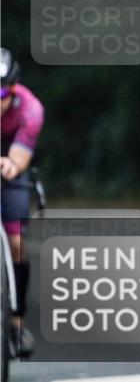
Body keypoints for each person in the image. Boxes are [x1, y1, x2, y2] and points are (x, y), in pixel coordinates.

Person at [1, 47, 45, 357]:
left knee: (16, 241)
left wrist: (10, 165)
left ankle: (16, 323)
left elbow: (19, 157)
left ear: (13, 88)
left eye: (1, 91)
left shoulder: (30, 108)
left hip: (9, 168)